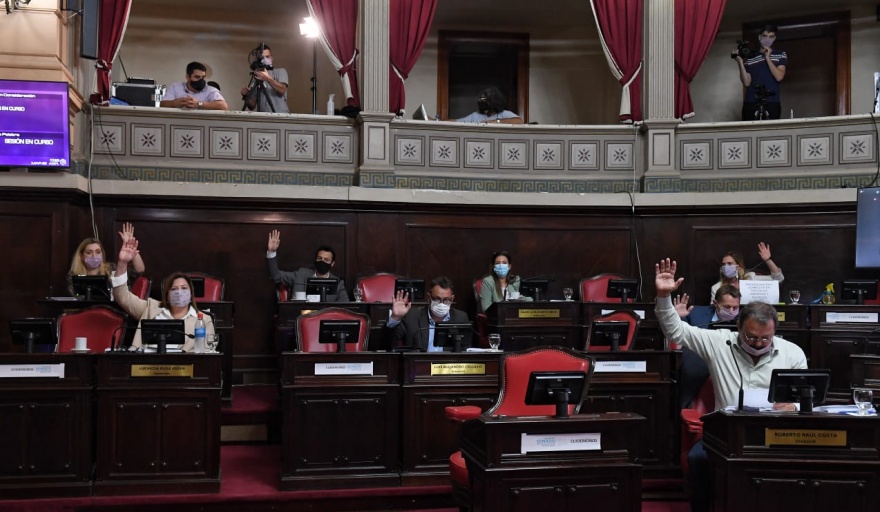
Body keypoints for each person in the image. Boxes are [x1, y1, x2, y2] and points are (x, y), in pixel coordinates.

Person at [655, 257, 806, 512]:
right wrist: (663, 297)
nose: (758, 343)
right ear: (738, 327)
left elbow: (804, 398)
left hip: (776, 433)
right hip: (725, 435)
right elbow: (676, 331)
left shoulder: (792, 353)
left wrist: (794, 406)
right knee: (698, 459)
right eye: (751, 337)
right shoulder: (719, 342)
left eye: (765, 339)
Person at [112, 237, 215, 352]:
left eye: (184, 288)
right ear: (167, 295)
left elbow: (207, 353)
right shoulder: (150, 309)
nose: (179, 292)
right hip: (145, 362)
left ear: (191, 295)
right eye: (174, 289)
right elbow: (122, 296)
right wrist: (122, 263)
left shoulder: (204, 320)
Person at [673, 285, 742, 408]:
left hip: (733, 359)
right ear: (715, 303)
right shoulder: (695, 312)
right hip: (699, 358)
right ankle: (686, 405)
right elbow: (680, 335)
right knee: (690, 358)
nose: (732, 311)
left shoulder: (744, 318)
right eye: (727, 307)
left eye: (735, 307)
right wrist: (677, 318)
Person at [388, 276, 471, 351]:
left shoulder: (461, 318)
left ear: (452, 299)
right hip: (419, 363)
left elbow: (465, 351)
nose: (441, 304)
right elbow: (386, 344)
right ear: (429, 298)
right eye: (437, 299)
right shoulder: (411, 316)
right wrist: (395, 318)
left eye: (446, 300)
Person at [265, 229, 348, 301]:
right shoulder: (301, 274)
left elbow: (345, 307)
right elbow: (276, 276)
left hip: (324, 315)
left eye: (326, 260)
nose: (322, 261)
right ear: (315, 259)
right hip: (300, 314)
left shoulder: (338, 283)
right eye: (319, 258)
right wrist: (271, 252)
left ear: (332, 263)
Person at [66, 222, 145, 296]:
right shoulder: (73, 274)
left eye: (98, 252)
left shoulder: (111, 268)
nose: (94, 256)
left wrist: (131, 248)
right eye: (89, 252)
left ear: (102, 253)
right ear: (81, 256)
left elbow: (139, 270)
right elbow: (75, 295)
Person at [733, 24, 787, 121]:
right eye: (765, 36)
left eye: (770, 37)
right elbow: (746, 82)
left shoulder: (780, 54)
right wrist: (740, 62)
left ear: (774, 38)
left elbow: (779, 77)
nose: (767, 39)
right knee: (749, 129)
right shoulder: (750, 57)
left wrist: (767, 57)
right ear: (759, 37)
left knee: (771, 129)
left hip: (772, 101)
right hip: (751, 101)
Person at [710, 241, 783, 302]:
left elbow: (778, 279)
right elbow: (714, 309)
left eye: (729, 263)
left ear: (739, 266)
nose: (726, 267)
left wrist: (768, 260)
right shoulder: (716, 288)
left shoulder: (751, 278)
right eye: (724, 264)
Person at [240, 44, 289, 114]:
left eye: (267, 57)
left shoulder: (280, 71)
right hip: (263, 117)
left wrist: (267, 78)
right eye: (262, 57)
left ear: (272, 58)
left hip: (280, 115)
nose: (265, 59)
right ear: (257, 59)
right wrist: (247, 95)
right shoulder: (257, 77)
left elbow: (282, 90)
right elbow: (252, 106)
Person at [160, 61, 227, 111]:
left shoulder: (210, 90)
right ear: (188, 77)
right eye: (197, 77)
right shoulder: (176, 87)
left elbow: (223, 106)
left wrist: (199, 104)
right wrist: (175, 103)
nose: (201, 80)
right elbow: (161, 105)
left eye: (203, 77)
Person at [456, 87, 523, 124]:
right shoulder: (475, 115)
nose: (481, 102)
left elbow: (519, 121)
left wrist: (496, 122)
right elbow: (457, 122)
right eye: (481, 99)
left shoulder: (504, 114)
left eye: (485, 100)